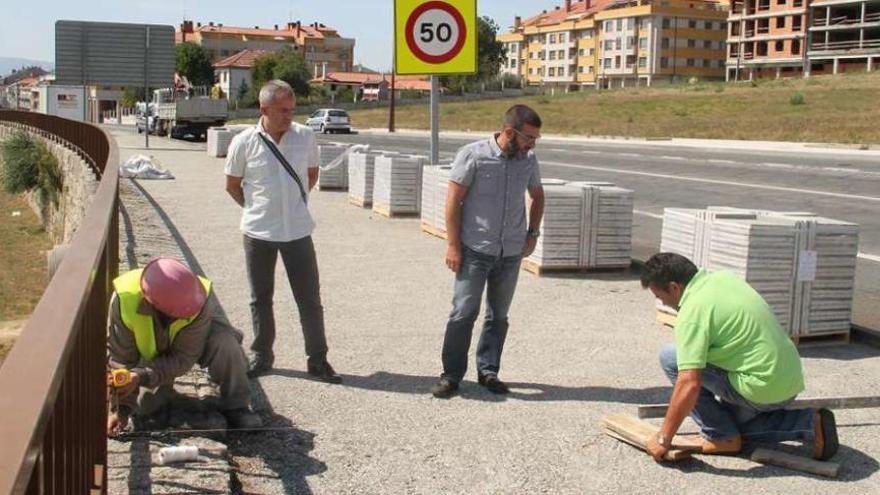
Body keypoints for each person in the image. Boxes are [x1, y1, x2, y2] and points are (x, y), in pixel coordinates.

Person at [640, 252, 838, 461]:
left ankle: (720, 435)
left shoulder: (692, 313)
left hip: (761, 389)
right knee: (737, 424)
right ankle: (809, 423)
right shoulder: (725, 278)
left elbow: (689, 383)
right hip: (788, 379)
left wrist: (664, 438)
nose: (662, 303)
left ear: (674, 287)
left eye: (660, 296)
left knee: (671, 358)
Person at [224, 80, 340, 383]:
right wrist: (258, 210)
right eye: (283, 110)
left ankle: (318, 359)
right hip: (258, 233)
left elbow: (311, 175)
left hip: (298, 232)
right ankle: (262, 355)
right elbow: (232, 185)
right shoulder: (244, 142)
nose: (290, 116)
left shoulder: (305, 137)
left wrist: (292, 205)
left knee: (309, 299)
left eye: (292, 109)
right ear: (265, 109)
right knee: (260, 297)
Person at [430, 104, 546, 399]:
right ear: (509, 131)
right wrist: (453, 245)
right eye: (528, 138)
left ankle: (488, 371)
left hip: (509, 253)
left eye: (535, 139)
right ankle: (451, 375)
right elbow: (453, 202)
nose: (532, 144)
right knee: (463, 313)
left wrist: (532, 233)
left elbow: (537, 195)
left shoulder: (528, 160)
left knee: (499, 316)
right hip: (475, 250)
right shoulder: (473, 155)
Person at [107, 257, 261, 435]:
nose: (182, 317)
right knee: (146, 410)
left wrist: (140, 376)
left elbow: (183, 357)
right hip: (149, 358)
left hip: (192, 345)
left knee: (225, 343)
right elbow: (121, 359)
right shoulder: (124, 300)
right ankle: (169, 399)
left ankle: (237, 406)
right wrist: (121, 410)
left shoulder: (198, 297)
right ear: (154, 306)